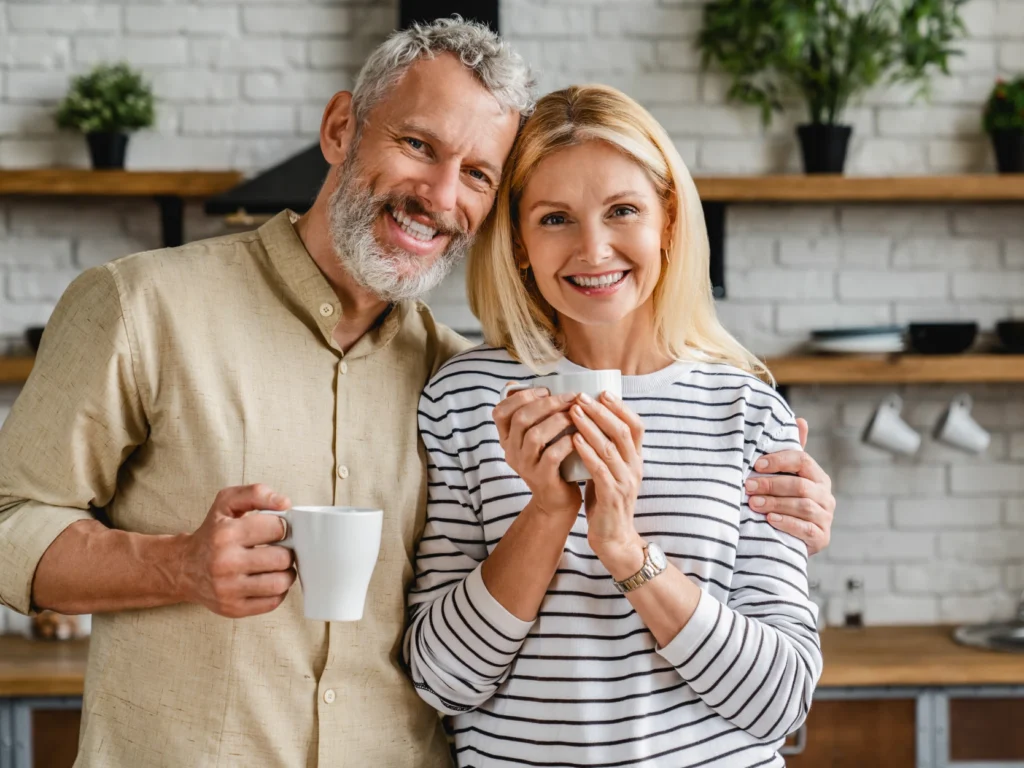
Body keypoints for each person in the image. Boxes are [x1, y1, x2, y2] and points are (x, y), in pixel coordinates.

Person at [0, 19, 833, 768]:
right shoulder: (144, 305)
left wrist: (678, 530)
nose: (440, 196)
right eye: (418, 145)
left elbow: (780, 691)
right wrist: (174, 565)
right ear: (339, 129)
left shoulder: (445, 372)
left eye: (477, 173)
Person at [405, 84, 822, 768]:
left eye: (622, 211)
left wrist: (626, 548)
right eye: (555, 219)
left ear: (668, 221)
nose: (594, 250)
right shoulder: (464, 399)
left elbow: (779, 702)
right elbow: (443, 681)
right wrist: (546, 513)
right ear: (518, 244)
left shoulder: (747, 411)